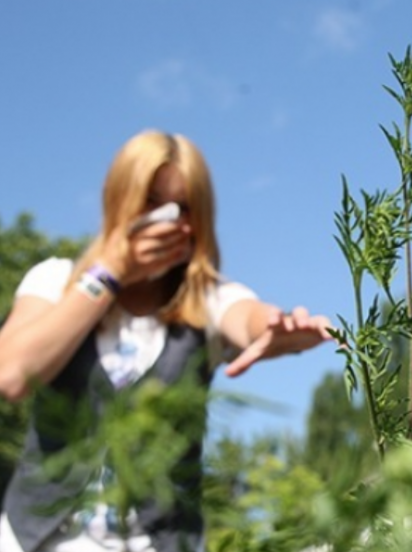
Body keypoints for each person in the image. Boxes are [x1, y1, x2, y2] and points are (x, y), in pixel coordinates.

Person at [0, 130, 335, 552]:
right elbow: (10, 376)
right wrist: (110, 271)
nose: (169, 221)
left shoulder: (209, 302)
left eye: (184, 208)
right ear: (118, 198)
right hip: (34, 539)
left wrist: (274, 328)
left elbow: (247, 317)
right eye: (152, 202)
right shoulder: (55, 280)